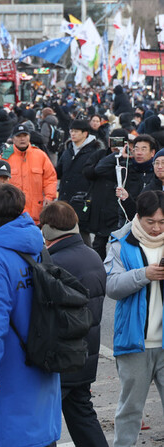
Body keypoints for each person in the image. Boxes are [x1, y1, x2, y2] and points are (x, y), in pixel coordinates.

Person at [0, 184, 62, 447]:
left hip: (12, 359)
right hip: (44, 352)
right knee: (41, 432)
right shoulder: (36, 243)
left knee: (10, 432)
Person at [38, 201, 108, 447]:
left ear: (47, 231)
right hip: (87, 353)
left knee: (43, 421)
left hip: (63, 354)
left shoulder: (55, 263)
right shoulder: (93, 256)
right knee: (82, 415)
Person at [105, 189, 164, 447]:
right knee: (129, 411)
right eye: (150, 221)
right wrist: (144, 275)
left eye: (162, 222)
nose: (156, 228)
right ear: (138, 216)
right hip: (134, 342)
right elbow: (112, 286)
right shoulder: (120, 242)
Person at [57, 119, 104, 246]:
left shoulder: (95, 152)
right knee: (63, 232)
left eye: (76, 131)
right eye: (71, 131)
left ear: (85, 133)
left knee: (82, 235)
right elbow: (59, 172)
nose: (73, 134)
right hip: (65, 198)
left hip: (83, 201)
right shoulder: (68, 150)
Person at [0, 122, 57, 224]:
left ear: (29, 137)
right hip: (12, 215)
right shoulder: (4, 158)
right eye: (19, 136)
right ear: (13, 138)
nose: (22, 139)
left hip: (36, 215)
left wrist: (49, 196)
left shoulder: (40, 155)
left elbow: (50, 178)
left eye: (25, 135)